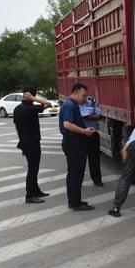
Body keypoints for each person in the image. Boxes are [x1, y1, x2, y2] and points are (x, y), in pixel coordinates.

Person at [59, 83, 96, 211]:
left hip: (73, 141)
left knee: (73, 173)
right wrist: (85, 131)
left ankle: (74, 201)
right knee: (76, 174)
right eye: (83, 95)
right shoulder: (69, 105)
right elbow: (67, 124)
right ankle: (75, 203)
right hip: (73, 142)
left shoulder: (72, 105)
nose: (85, 99)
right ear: (75, 92)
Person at [13, 86, 52, 204]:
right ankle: (30, 195)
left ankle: (35, 190)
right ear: (31, 96)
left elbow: (16, 127)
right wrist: (34, 98)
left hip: (25, 142)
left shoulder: (18, 108)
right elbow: (48, 103)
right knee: (33, 169)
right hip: (32, 142)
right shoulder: (30, 109)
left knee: (33, 168)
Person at [79, 96, 103, 186]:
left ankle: (97, 180)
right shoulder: (73, 104)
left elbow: (99, 113)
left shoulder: (92, 101)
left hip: (93, 133)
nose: (84, 97)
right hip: (80, 134)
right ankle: (78, 181)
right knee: (79, 160)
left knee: (95, 158)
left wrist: (96, 116)